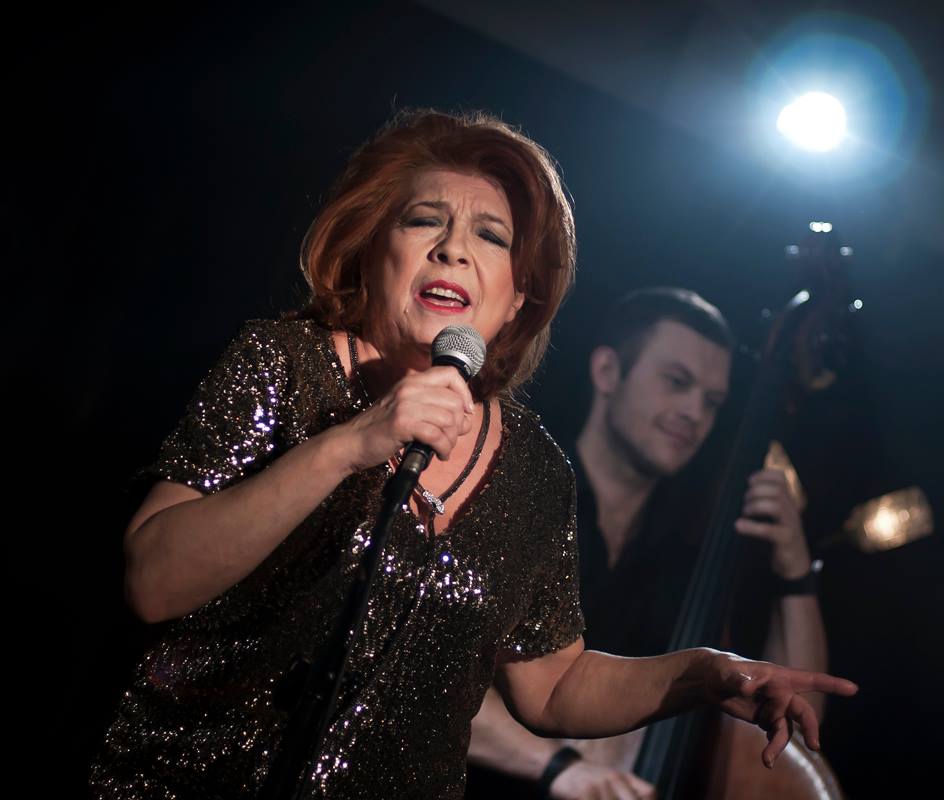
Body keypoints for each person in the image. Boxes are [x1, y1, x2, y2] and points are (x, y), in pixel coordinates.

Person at [89, 110, 856, 800]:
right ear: (373, 252)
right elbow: (153, 581)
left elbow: (554, 685)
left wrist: (705, 674)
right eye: (425, 221)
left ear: (519, 295)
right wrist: (349, 445)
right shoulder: (283, 365)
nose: (454, 249)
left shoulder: (535, 471)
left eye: (491, 236)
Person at [467, 288, 828, 798]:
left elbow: (797, 726)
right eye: (677, 382)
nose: (693, 412)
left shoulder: (691, 558)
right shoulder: (511, 493)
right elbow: (428, 670)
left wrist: (794, 572)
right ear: (607, 372)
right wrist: (560, 768)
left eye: (712, 402)